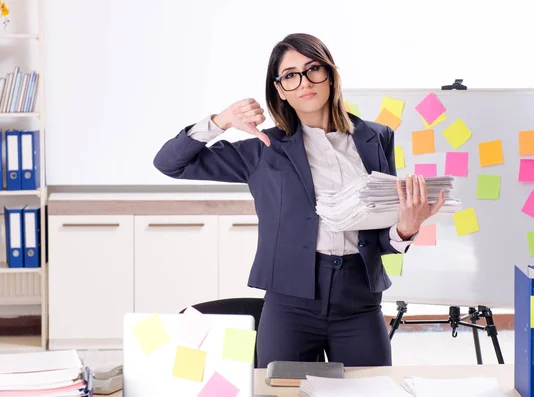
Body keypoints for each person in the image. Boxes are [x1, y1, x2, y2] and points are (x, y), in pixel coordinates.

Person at [153, 33, 444, 368]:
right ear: (280, 89)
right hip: (290, 303)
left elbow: (380, 231)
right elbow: (170, 163)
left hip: (360, 300)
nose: (304, 81)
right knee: (279, 391)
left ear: (331, 76)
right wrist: (221, 121)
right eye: (290, 75)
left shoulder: (376, 138)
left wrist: (405, 230)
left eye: (313, 69)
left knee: (371, 389)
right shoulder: (264, 147)